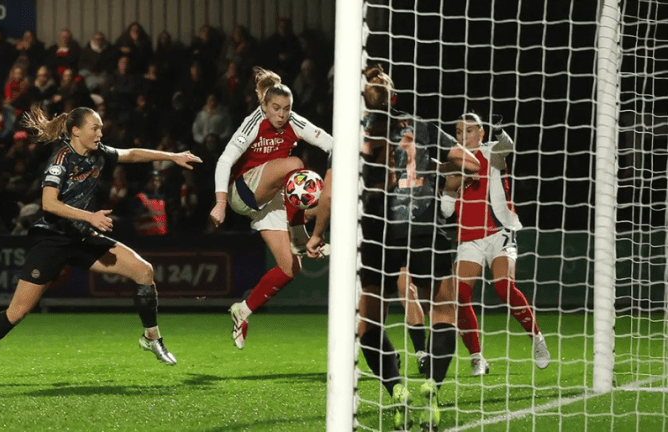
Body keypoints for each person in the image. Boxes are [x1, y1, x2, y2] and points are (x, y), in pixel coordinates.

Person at [0, 105, 202, 381]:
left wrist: (172, 156)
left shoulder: (99, 154)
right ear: (76, 131)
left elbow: (131, 154)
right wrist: (90, 217)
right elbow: (48, 203)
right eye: (95, 127)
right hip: (53, 239)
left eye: (100, 127)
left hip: (82, 237)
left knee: (143, 271)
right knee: (17, 312)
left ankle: (151, 337)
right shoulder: (60, 160)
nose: (101, 132)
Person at [354, 64, 479, 429]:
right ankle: (432, 387)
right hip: (426, 227)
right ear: (394, 97)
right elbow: (469, 163)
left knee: (370, 321)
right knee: (443, 310)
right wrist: (434, 173)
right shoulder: (422, 126)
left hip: (381, 230)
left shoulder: (360, 134)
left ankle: (396, 391)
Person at [209, 67, 333, 350]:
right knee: (296, 166)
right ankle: (301, 237)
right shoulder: (253, 123)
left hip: (271, 198)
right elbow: (224, 161)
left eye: (286, 109)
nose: (281, 114)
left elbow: (331, 144)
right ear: (263, 105)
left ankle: (243, 310)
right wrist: (220, 202)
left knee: (291, 268)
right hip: (244, 192)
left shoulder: (295, 122)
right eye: (275, 108)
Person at [439, 112, 551, 375]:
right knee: (460, 295)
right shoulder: (454, 162)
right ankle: (477, 357)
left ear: (481, 133)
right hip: (468, 238)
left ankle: (537, 339)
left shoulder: (492, 153)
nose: (462, 136)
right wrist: (449, 186)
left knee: (504, 287)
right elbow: (446, 212)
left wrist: (500, 131)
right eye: (458, 131)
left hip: (498, 232)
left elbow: (508, 146)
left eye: (468, 131)